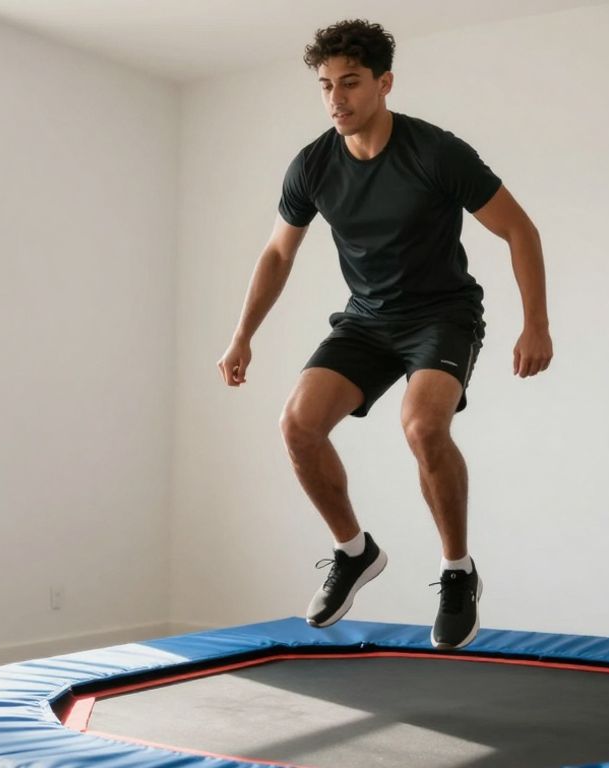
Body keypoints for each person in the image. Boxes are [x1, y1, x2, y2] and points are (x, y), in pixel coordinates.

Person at [216, 19, 552, 650]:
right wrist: (242, 336)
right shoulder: (313, 165)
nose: (336, 99)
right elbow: (277, 255)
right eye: (325, 86)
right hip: (367, 319)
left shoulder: (435, 152)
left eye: (350, 83)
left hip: (442, 316)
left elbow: (519, 231)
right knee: (297, 425)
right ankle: (354, 551)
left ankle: (457, 572)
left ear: (384, 83)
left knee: (424, 426)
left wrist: (536, 323)